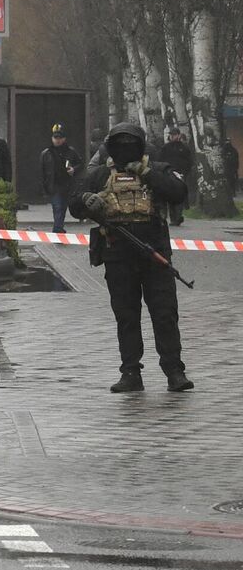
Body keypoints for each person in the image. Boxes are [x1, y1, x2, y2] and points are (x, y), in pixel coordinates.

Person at [71, 123, 192, 394]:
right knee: (126, 316)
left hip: (155, 255)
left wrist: (147, 173)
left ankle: (174, 371)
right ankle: (130, 372)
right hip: (117, 254)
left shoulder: (158, 169)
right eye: (119, 143)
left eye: (130, 143)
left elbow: (179, 193)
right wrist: (87, 201)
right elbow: (74, 203)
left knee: (164, 315)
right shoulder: (101, 173)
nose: (125, 148)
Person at [40, 124, 82, 234]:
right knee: (57, 206)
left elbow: (80, 164)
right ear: (52, 138)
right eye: (55, 138)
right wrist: (44, 187)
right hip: (54, 185)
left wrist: (73, 169)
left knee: (63, 207)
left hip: (67, 184)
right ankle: (57, 229)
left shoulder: (71, 151)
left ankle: (59, 226)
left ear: (64, 139)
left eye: (60, 138)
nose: (57, 140)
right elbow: (43, 172)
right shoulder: (46, 153)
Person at [157, 127, 197, 227]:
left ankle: (178, 216)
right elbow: (160, 161)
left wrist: (185, 172)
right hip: (169, 174)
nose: (172, 136)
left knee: (179, 196)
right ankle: (173, 218)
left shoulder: (184, 148)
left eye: (174, 135)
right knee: (170, 196)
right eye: (171, 135)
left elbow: (189, 161)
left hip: (181, 174)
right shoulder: (166, 148)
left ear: (178, 135)